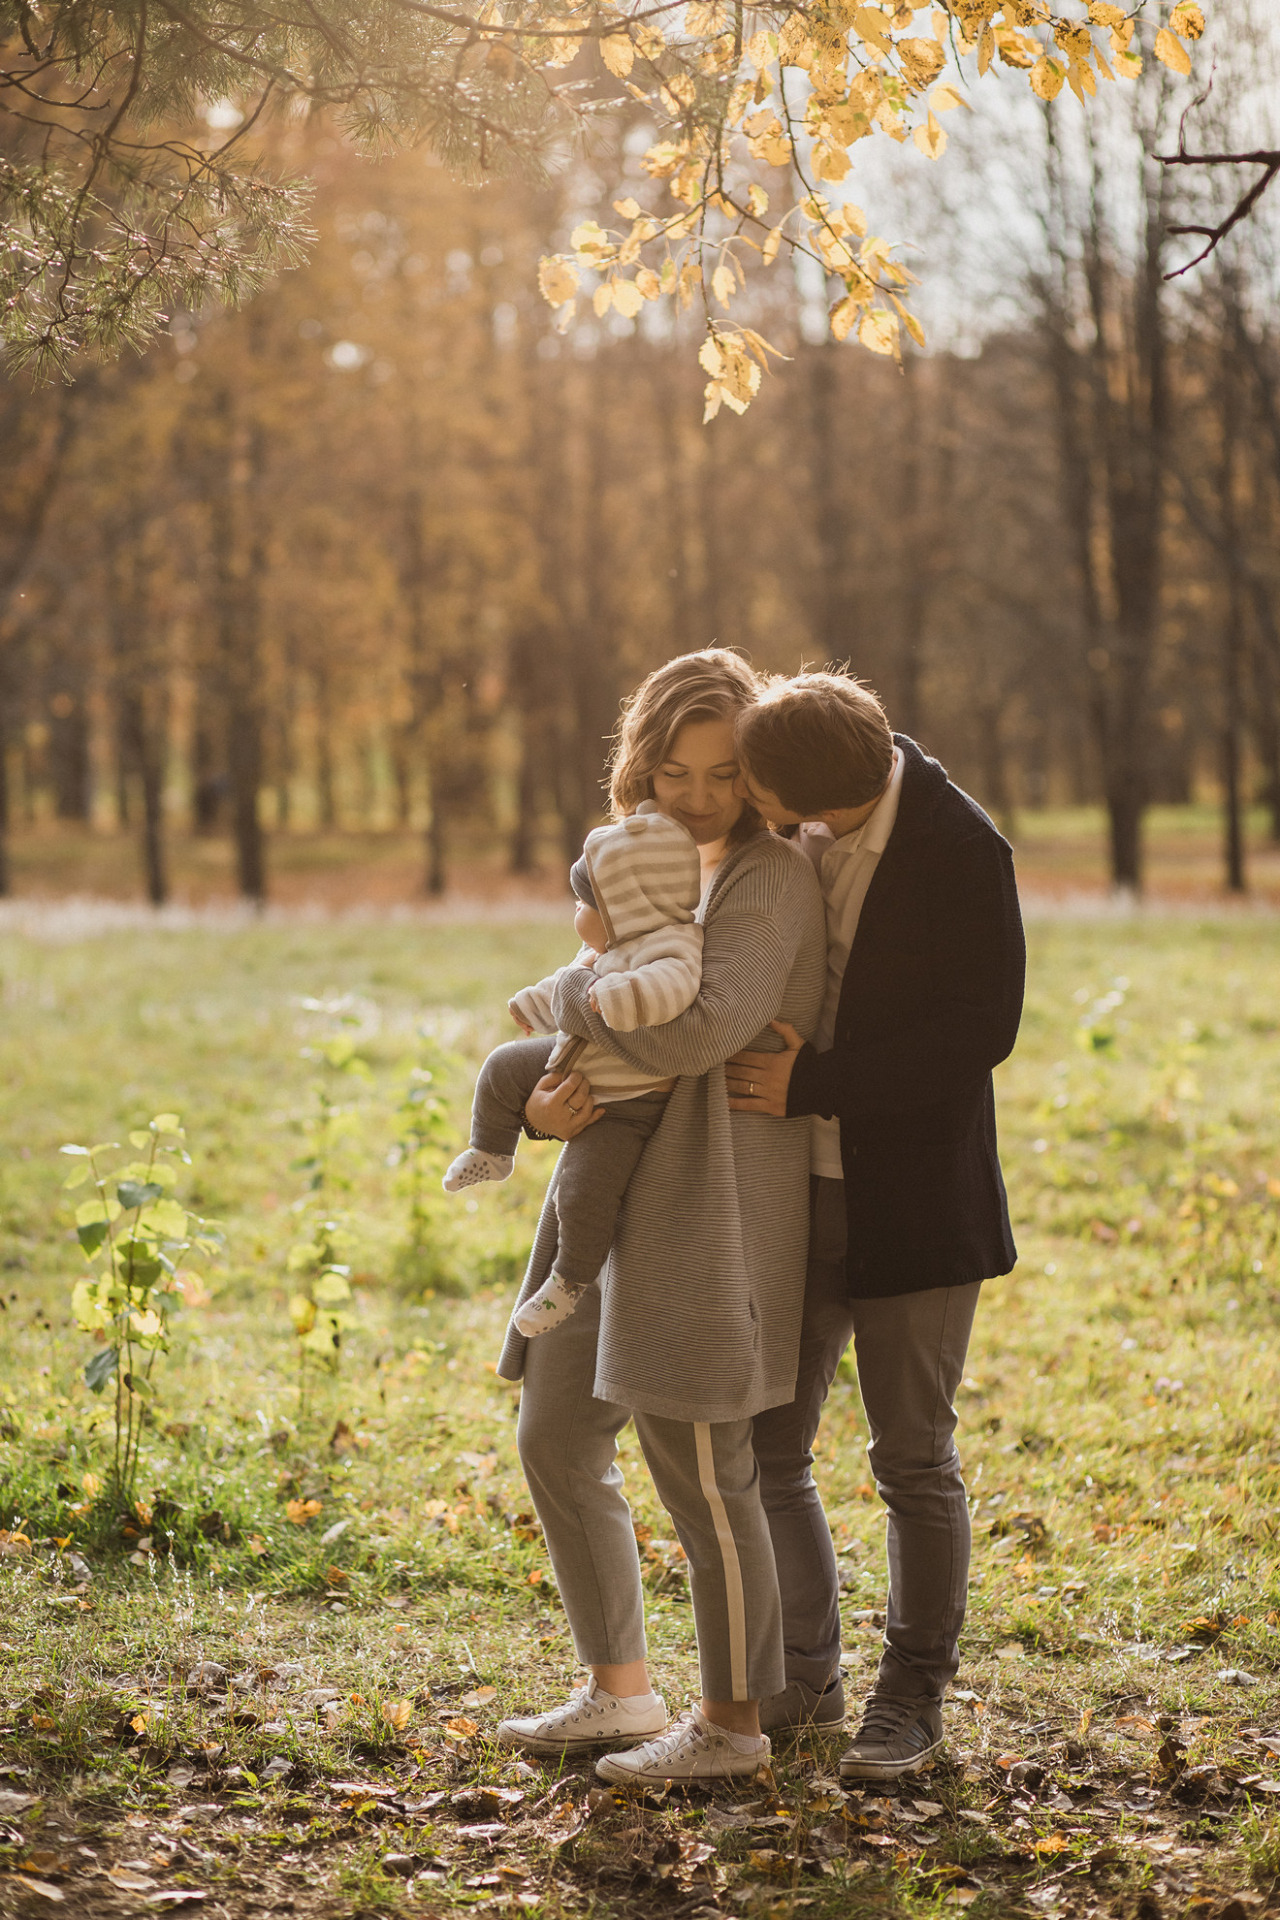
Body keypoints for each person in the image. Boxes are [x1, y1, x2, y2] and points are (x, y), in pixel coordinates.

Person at [494, 649, 827, 1784]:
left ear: (756, 777)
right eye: (674, 772)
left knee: (698, 1463)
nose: (695, 798)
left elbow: (696, 1031)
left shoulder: (767, 881)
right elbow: (613, 1040)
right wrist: (541, 1102)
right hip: (604, 1200)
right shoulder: (632, 870)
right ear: (640, 766)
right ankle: (618, 1694)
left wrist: (581, 987)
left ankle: (733, 1724)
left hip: (708, 1207)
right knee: (553, 1434)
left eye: (723, 775)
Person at [726, 671, 1025, 1783]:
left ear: (823, 799)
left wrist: (817, 1082)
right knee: (768, 1446)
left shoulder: (958, 848)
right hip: (790, 1194)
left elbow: (979, 1033)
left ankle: (910, 1695)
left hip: (918, 1199)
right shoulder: (794, 832)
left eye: (763, 795)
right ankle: (803, 1676)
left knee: (910, 1455)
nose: (753, 809)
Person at [443, 804, 704, 1337]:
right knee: (500, 1066)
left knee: (582, 1192)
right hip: (573, 1061)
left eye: (586, 903)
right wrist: (532, 1007)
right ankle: (492, 1150)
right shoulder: (600, 947)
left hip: (624, 1105)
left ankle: (568, 1281)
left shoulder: (672, 944)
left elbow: (672, 987)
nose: (577, 914)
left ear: (629, 906)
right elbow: (566, 987)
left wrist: (623, 995)